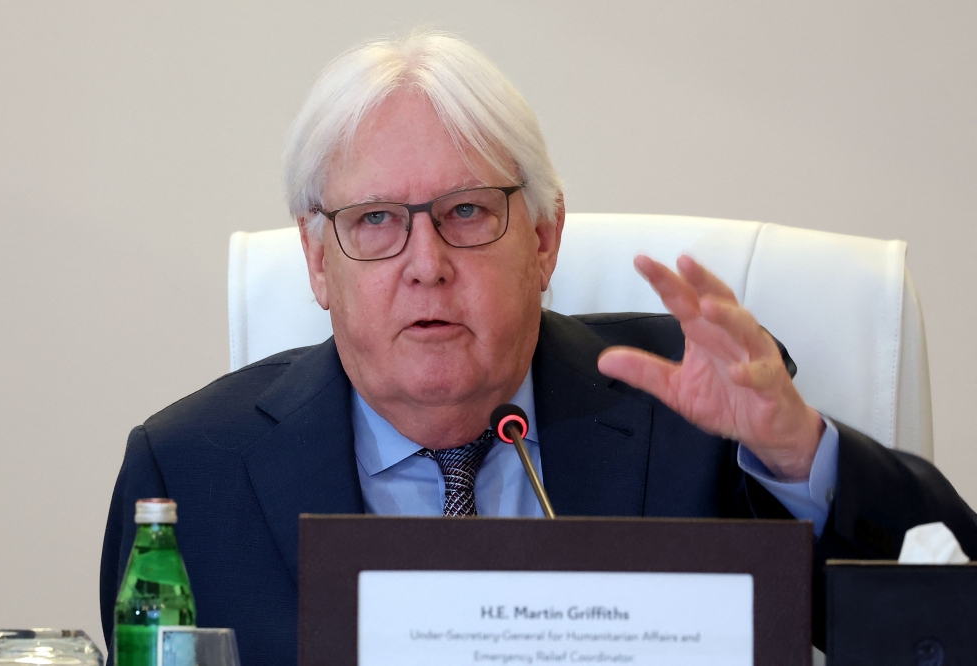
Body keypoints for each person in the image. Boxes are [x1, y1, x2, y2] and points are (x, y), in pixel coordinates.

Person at [101, 30, 976, 664]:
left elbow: (953, 628)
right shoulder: (188, 473)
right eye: (375, 221)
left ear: (546, 240)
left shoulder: (694, 412)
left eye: (466, 211)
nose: (427, 265)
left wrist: (796, 453)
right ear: (317, 261)